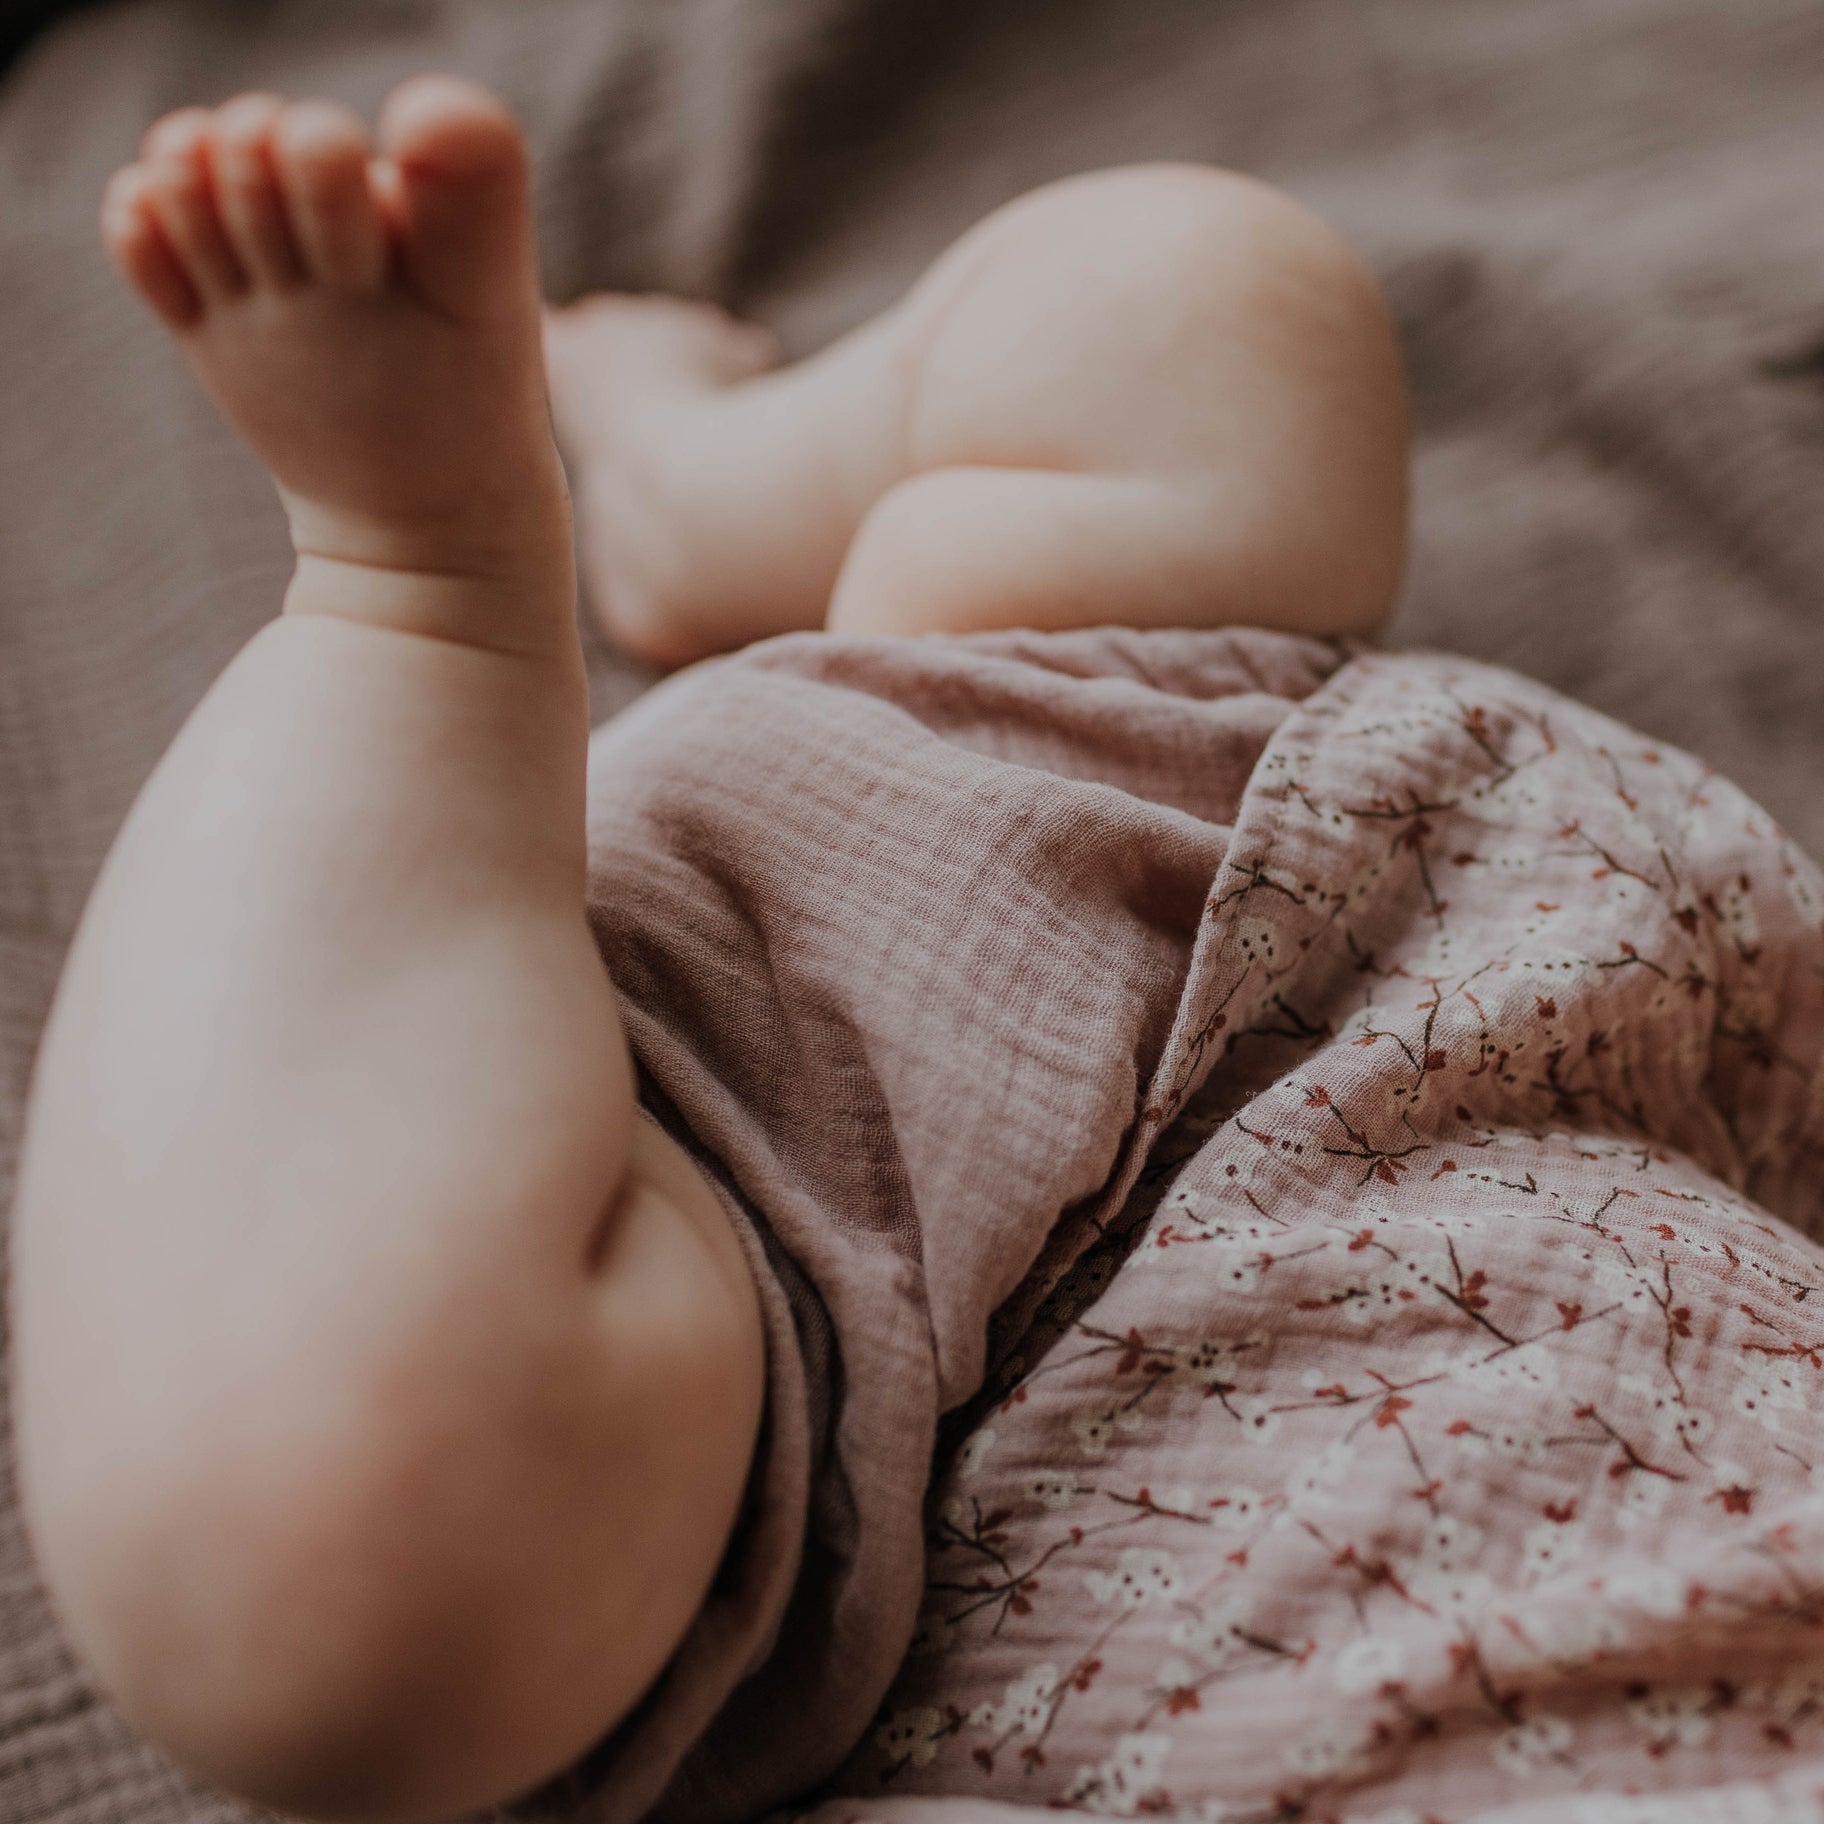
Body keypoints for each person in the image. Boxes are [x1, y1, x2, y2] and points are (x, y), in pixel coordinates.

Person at [9, 69, 1426, 1823]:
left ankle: (419, 582)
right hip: (1378, 928)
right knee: (1207, 319)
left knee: (318, 1554)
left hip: (878, 1376)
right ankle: (691, 478)